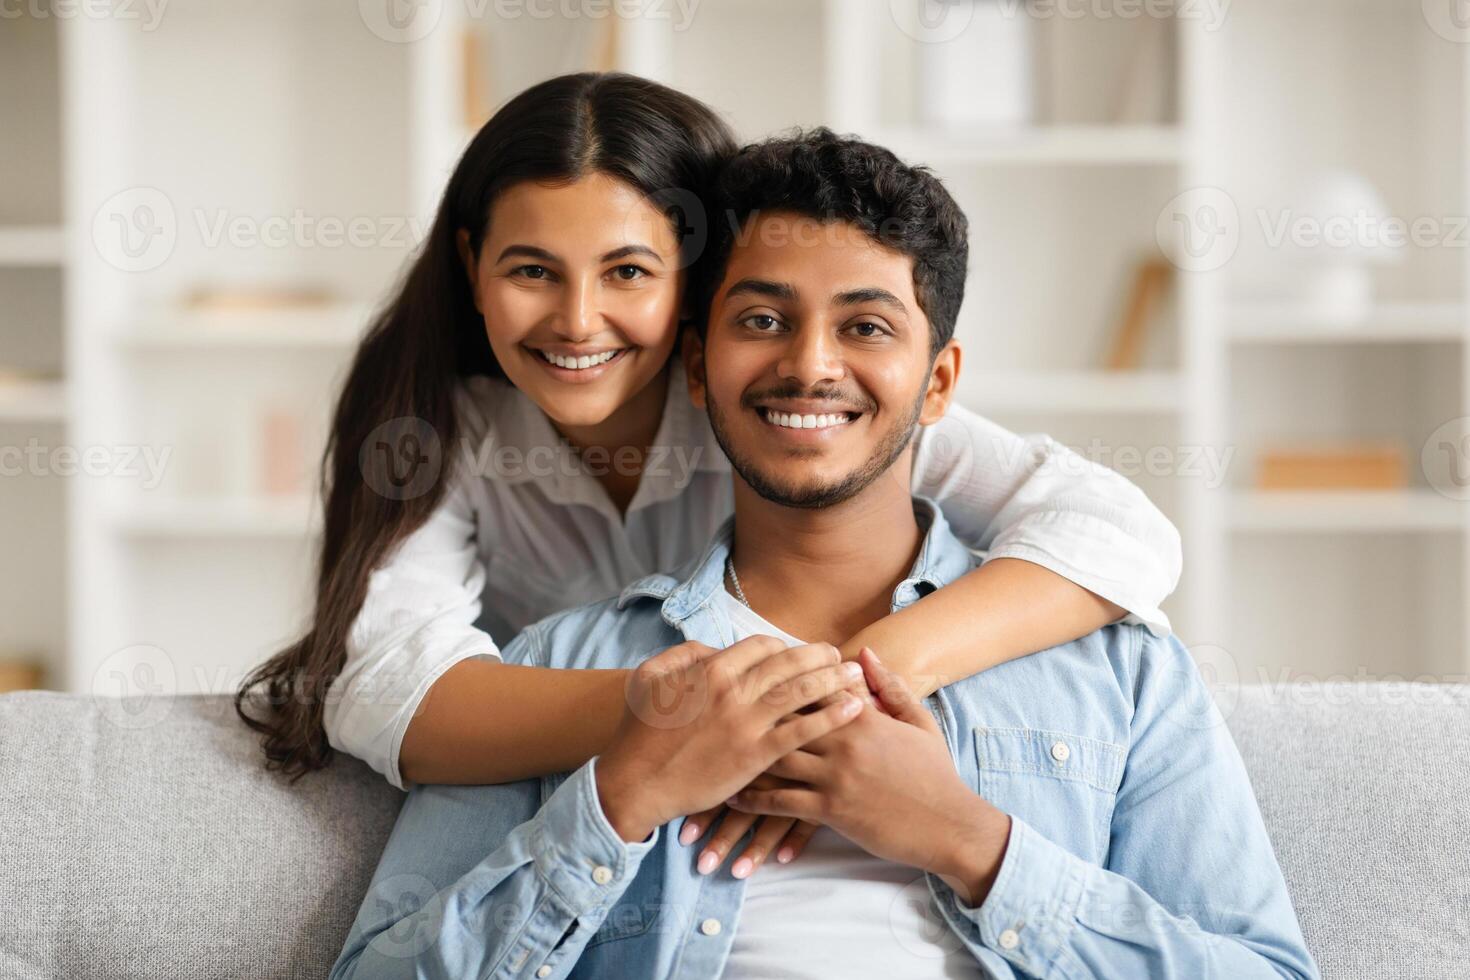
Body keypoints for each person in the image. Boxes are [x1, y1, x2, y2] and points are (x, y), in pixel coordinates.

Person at [329, 129, 1317, 980]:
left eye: (866, 326)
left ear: (938, 386)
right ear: (698, 370)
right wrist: (621, 798)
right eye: (762, 320)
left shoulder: (1122, 671)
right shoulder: (555, 667)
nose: (808, 363)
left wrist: (969, 841)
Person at [237, 72, 1181, 876]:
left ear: (697, 281)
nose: (577, 320)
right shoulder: (441, 418)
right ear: (471, 264)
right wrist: (693, 719)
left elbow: (1119, 531)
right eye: (532, 270)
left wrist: (841, 687)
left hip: (800, 786)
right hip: (580, 807)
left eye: (628, 273)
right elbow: (385, 693)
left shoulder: (779, 406)